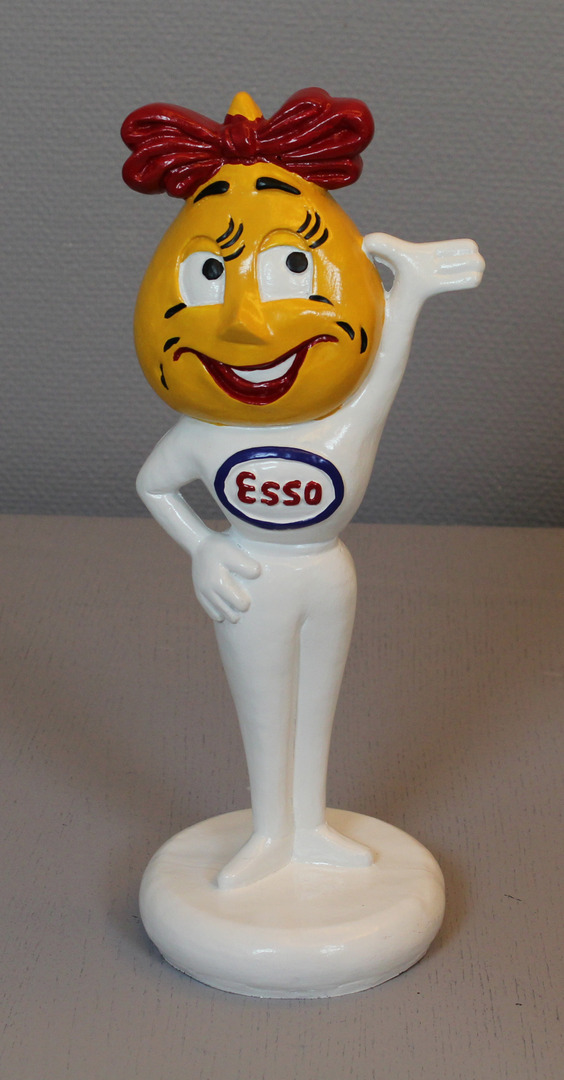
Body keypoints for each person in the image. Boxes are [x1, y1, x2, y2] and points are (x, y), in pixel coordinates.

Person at [122, 88, 484, 888]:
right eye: (210, 274)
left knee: (316, 702)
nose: (248, 324)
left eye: (291, 267)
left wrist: (411, 293)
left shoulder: (339, 422)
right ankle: (269, 833)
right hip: (252, 576)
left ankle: (308, 826)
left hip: (326, 572)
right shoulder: (203, 434)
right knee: (264, 707)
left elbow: (381, 376)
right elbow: (154, 486)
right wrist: (205, 549)